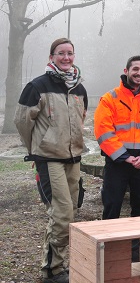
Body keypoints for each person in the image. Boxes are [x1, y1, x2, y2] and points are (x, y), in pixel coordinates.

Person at [14, 38, 87, 283]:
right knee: (62, 213)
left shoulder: (79, 88)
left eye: (70, 53)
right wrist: (37, 148)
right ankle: (53, 270)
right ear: (51, 56)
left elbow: (80, 120)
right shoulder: (37, 86)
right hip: (49, 159)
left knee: (71, 209)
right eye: (61, 53)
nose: (66, 58)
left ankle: (56, 265)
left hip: (73, 158)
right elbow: (23, 121)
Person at [94, 55, 140, 261]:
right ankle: (109, 253)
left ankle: (136, 253)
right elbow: (103, 130)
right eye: (135, 69)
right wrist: (123, 156)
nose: (139, 73)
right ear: (126, 70)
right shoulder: (110, 98)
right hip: (117, 162)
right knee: (112, 205)